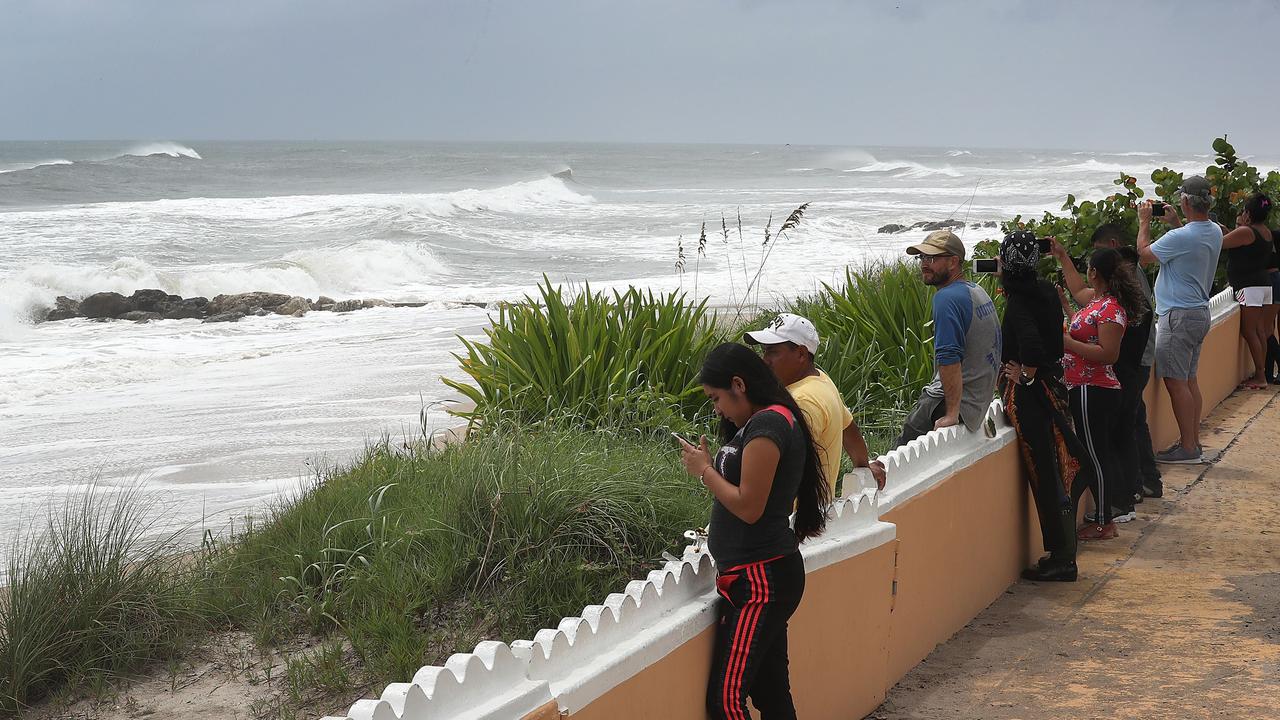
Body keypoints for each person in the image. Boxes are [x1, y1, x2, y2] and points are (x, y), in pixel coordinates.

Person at [678, 342, 830, 720]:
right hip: (761, 573)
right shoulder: (765, 421)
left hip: (760, 579)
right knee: (772, 694)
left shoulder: (768, 424)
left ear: (738, 385)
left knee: (726, 701)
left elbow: (749, 506)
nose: (717, 408)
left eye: (716, 398)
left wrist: (706, 472)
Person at [998, 231, 1092, 581]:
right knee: (1059, 469)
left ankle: (1062, 558)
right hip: (1055, 386)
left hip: (1033, 398)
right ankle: (1063, 553)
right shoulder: (1045, 292)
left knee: (1047, 474)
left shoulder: (1019, 301)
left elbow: (1033, 348)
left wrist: (1024, 375)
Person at [1054, 224, 1160, 510]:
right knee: (1119, 435)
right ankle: (1130, 493)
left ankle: (1121, 502)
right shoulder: (1105, 300)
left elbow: (1108, 352)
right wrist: (1062, 258)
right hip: (1110, 379)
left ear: (1094, 273)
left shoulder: (1112, 306)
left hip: (1112, 379)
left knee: (1116, 438)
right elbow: (1080, 299)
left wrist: (1067, 343)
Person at [743, 312, 886, 493]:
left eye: (772, 351)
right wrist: (863, 466)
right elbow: (849, 428)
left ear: (801, 354)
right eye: (764, 351)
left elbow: (785, 466)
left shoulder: (802, 401)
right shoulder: (820, 379)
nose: (765, 361)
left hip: (794, 516)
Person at [1138, 176, 1224, 464]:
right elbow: (1188, 244)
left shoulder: (1182, 237)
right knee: (1189, 380)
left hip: (1178, 316)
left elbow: (1145, 256)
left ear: (1185, 201)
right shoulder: (1212, 231)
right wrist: (1176, 223)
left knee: (1176, 383)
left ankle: (1187, 448)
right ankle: (1194, 443)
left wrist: (1144, 222)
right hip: (1198, 313)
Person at [891, 230, 1001, 447]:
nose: (924, 264)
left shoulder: (946, 298)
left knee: (898, 456)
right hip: (979, 401)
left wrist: (952, 413)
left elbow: (949, 358)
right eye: (922, 258)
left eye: (932, 258)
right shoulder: (977, 290)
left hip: (956, 403)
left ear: (953, 262)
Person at [1220, 193, 1274, 390]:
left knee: (1249, 331)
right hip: (1263, 284)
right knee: (1260, 331)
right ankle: (1264, 372)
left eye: (1244, 211)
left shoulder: (1246, 232)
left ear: (1249, 214)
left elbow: (1222, 243)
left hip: (1249, 286)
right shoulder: (1264, 231)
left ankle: (1260, 376)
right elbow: (1236, 241)